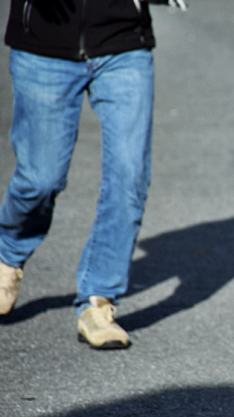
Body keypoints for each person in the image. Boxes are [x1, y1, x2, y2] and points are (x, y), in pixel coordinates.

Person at [0, 0, 185, 348]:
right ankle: (7, 254)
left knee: (129, 176)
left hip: (123, 44)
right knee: (40, 179)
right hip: (43, 45)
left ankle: (98, 300)